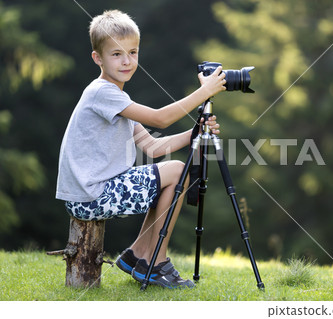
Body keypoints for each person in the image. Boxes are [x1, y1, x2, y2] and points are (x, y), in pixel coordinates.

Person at [55, 9, 226, 288]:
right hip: (91, 195)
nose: (127, 61)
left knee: (169, 173)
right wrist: (205, 91)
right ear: (97, 58)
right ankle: (154, 263)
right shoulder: (102, 92)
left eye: (133, 52)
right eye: (117, 54)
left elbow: (153, 146)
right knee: (176, 170)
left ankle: (137, 256)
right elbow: (160, 118)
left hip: (94, 192)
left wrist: (195, 131)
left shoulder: (118, 97)